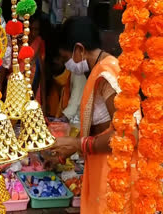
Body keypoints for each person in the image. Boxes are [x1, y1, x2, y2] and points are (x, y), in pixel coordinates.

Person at [47, 16, 139, 213]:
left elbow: (128, 136)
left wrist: (78, 144)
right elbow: (102, 127)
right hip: (104, 168)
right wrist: (71, 149)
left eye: (66, 59)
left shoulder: (106, 74)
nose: (67, 66)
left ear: (79, 49)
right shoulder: (101, 70)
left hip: (114, 175)